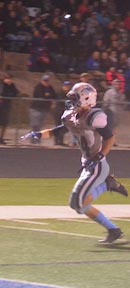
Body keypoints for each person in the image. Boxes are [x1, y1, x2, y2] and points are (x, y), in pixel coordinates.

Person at [21, 82, 128, 244]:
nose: (71, 102)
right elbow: (57, 131)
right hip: (87, 163)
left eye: (75, 98)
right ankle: (113, 229)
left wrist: (99, 156)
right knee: (79, 206)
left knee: (77, 202)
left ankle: (107, 185)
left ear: (86, 99)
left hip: (97, 166)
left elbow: (110, 137)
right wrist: (37, 134)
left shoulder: (95, 116)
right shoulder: (70, 116)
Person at [28, 74, 56, 144]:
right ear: (42, 81)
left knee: (39, 125)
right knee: (35, 124)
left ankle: (36, 139)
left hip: (44, 109)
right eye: (45, 81)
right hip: (36, 109)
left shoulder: (50, 87)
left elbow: (54, 95)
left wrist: (49, 97)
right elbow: (41, 96)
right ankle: (33, 139)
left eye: (47, 81)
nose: (46, 82)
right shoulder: (38, 87)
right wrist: (48, 96)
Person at [0, 74, 19, 144]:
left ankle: (1, 138)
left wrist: (10, 95)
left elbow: (16, 93)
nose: (9, 80)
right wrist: (10, 95)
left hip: (7, 106)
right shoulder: (2, 85)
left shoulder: (12, 86)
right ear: (4, 79)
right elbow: (2, 94)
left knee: (4, 122)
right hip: (0, 106)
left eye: (10, 79)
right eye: (7, 79)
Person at [103, 79, 126, 145]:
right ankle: (106, 141)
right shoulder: (109, 92)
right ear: (113, 84)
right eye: (116, 84)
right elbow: (105, 102)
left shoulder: (121, 94)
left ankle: (112, 141)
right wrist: (105, 110)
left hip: (117, 113)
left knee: (114, 128)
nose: (117, 85)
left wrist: (121, 109)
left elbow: (123, 103)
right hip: (110, 113)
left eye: (118, 84)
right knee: (109, 127)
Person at [53, 81, 71, 146]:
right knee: (57, 126)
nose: (67, 87)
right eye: (66, 86)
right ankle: (56, 141)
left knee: (63, 126)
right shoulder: (60, 92)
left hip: (64, 112)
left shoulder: (69, 93)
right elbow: (62, 101)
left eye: (68, 86)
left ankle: (60, 140)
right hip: (58, 112)